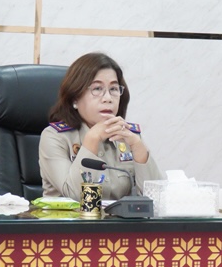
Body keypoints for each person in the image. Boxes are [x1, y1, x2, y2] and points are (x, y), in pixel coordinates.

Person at [39, 52, 162, 199]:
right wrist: (92, 139)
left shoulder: (128, 136)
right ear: (75, 98)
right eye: (97, 89)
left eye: (114, 89)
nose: (108, 98)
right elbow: (77, 196)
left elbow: (157, 198)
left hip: (118, 215)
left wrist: (138, 147)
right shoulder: (55, 137)